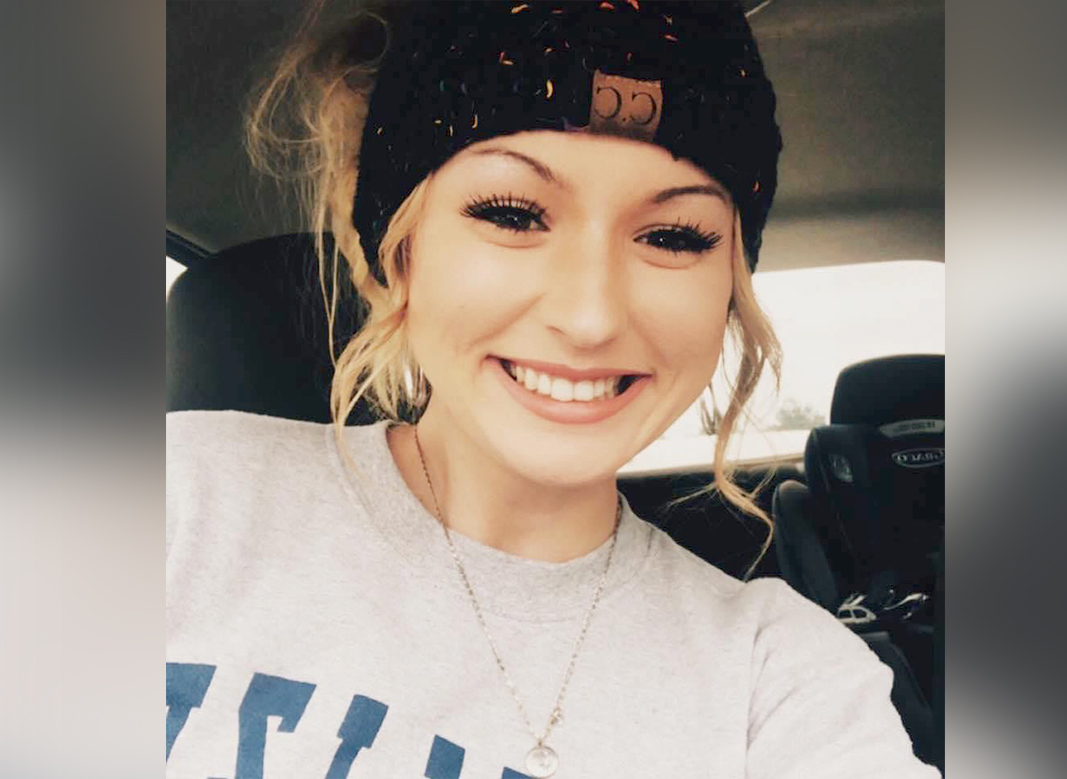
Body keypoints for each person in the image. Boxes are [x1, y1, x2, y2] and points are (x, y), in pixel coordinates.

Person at [167, 2, 940, 777]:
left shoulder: (780, 678)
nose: (590, 316)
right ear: (395, 250)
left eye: (672, 236)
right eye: (511, 215)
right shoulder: (180, 494)